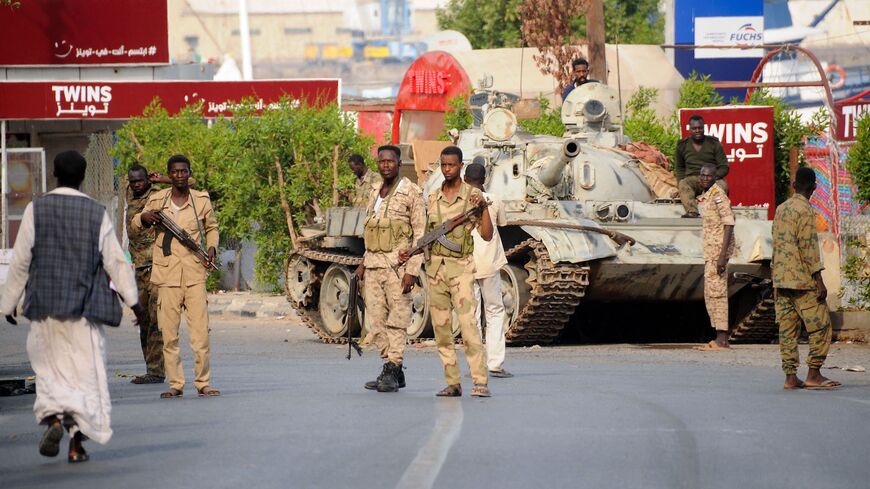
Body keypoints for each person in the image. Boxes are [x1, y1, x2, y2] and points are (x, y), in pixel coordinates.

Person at [0, 150, 146, 463]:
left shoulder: (35, 210)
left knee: (50, 371)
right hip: (85, 310)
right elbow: (116, 262)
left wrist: (8, 302)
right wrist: (134, 303)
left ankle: (53, 418)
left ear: (54, 174)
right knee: (83, 377)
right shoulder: (96, 213)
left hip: (44, 307)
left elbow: (21, 260)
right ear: (81, 178)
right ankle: (76, 444)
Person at [131, 154, 221, 399]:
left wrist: (212, 247)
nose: (180, 175)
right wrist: (144, 218)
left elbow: (212, 227)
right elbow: (134, 224)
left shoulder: (200, 200)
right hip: (167, 275)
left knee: (200, 334)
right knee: (169, 335)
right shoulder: (158, 200)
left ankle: (203, 382)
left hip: (194, 273)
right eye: (175, 172)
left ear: (189, 173)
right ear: (169, 175)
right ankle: (176, 383)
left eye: (184, 171)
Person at [407, 146, 493, 398]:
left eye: (451, 165)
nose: (447, 170)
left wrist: (484, 208)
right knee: (442, 331)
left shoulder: (472, 197)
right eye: (443, 165)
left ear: (461, 166)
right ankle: (453, 382)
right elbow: (425, 233)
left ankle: (480, 381)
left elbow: (487, 235)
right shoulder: (432, 198)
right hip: (436, 271)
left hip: (461, 270)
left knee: (468, 328)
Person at [357, 145, 426, 392]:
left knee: (397, 321)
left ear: (399, 163)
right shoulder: (375, 191)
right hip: (374, 266)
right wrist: (363, 263)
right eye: (382, 161)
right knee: (376, 322)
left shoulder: (411, 192)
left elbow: (420, 235)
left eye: (390, 161)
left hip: (397, 269)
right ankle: (390, 367)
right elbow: (371, 228)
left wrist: (412, 271)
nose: (386, 165)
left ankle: (393, 366)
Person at [772, 167, 841, 390]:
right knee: (821, 326)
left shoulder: (781, 209)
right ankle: (814, 374)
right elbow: (809, 247)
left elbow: (776, 243)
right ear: (813, 187)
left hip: (781, 279)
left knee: (788, 330)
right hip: (801, 280)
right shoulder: (806, 211)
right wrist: (819, 280)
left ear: (794, 185)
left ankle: (790, 377)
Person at [463, 163, 512, 377]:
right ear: (485, 179)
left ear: (464, 178)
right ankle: (495, 364)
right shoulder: (494, 199)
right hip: (489, 262)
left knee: (471, 315)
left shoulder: (458, 201)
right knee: (494, 311)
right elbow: (501, 223)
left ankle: (475, 364)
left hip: (465, 263)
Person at [125, 165, 166, 384]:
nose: (136, 185)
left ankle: (156, 371)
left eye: (140, 181)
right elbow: (128, 179)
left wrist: (164, 179)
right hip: (138, 267)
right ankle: (150, 368)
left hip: (156, 266)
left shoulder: (158, 194)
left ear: (148, 180)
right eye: (133, 181)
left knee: (156, 321)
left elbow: (190, 183)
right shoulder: (129, 192)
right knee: (143, 319)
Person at [694, 164, 735, 351]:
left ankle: (722, 338)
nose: (704, 178)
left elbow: (729, 224)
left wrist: (722, 256)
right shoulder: (706, 196)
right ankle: (718, 337)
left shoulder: (718, 195)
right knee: (710, 293)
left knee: (718, 294)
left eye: (708, 176)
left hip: (717, 252)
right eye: (702, 175)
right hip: (710, 252)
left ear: (714, 177)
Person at [675, 115, 730, 217]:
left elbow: (724, 167)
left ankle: (717, 211)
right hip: (693, 179)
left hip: (712, 179)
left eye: (700, 128)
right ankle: (692, 211)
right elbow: (680, 168)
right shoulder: (682, 145)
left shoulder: (714, 144)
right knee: (683, 184)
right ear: (689, 129)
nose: (697, 131)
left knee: (722, 186)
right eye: (694, 128)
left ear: (704, 128)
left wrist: (711, 178)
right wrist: (679, 185)